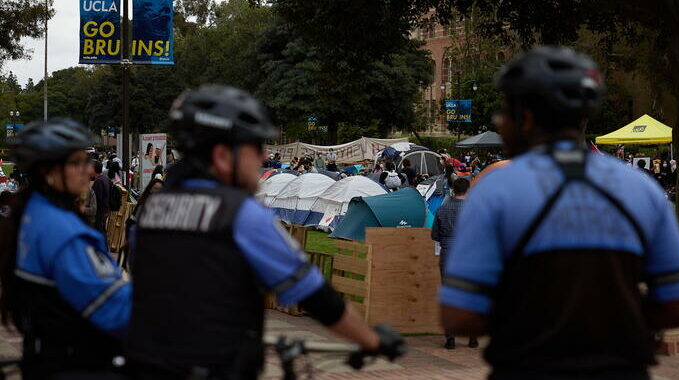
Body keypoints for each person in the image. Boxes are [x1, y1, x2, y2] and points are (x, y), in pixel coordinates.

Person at [440, 47, 679, 380]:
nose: (502, 124)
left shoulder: (495, 189)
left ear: (527, 119)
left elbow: (458, 315)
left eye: (505, 112)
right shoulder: (641, 189)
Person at [127, 85, 405, 379]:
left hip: (146, 360)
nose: (262, 157)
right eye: (255, 147)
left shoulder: (154, 209)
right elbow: (316, 296)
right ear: (223, 156)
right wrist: (373, 341)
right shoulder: (240, 214)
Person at [0, 118, 131, 379]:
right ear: (49, 171)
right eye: (76, 163)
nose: (87, 170)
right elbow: (118, 312)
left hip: (44, 357)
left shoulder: (30, 213)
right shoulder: (64, 233)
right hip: (80, 363)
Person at [430, 178, 478, 350]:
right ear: (468, 190)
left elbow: (434, 235)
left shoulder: (442, 209)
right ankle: (472, 336)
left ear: (452, 191)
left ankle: (450, 338)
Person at [92, 160, 111, 234]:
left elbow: (96, 199)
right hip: (106, 210)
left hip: (100, 213)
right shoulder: (106, 178)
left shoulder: (98, 181)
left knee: (100, 232)